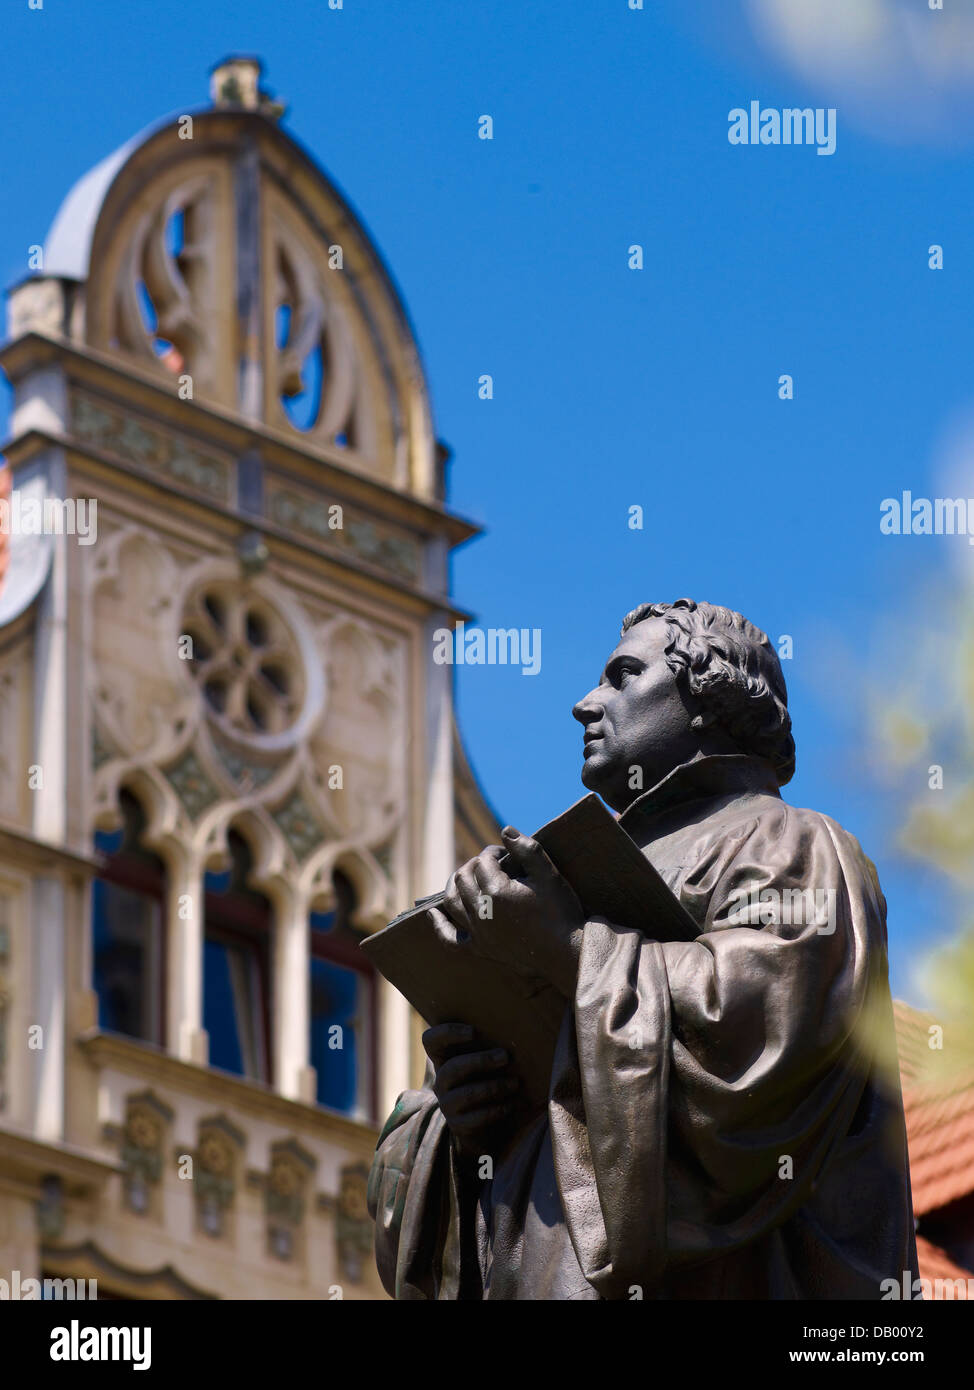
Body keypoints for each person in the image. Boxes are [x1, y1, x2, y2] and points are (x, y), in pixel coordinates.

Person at [367, 599, 919, 1300]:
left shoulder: (791, 842)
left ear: (706, 697)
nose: (584, 704)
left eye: (623, 677)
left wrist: (568, 948)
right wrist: (465, 1125)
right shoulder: (574, 877)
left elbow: (761, 1032)